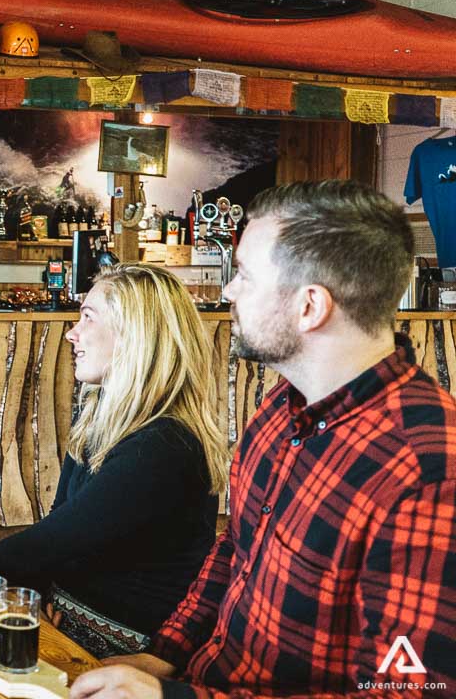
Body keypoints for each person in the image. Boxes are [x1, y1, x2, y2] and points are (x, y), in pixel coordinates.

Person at [72, 181, 456, 699]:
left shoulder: (428, 470)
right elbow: (234, 550)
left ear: (309, 307)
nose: (227, 291)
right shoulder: (282, 405)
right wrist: (163, 653)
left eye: (246, 278)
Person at [0, 263, 230, 658]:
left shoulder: (164, 445)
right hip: (67, 614)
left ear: (134, 335)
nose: (72, 334)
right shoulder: (99, 416)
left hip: (127, 649)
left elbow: (49, 544)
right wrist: (33, 596)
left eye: (87, 317)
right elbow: (59, 528)